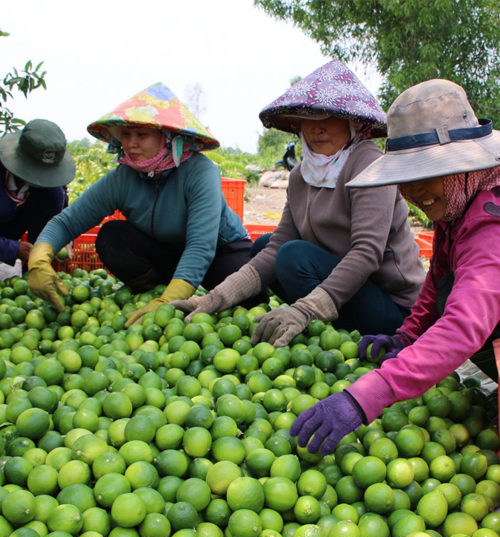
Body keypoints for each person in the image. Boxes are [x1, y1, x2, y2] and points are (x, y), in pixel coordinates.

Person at [290, 78, 500, 455]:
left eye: (424, 176)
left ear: (463, 167)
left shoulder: (491, 222)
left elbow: (464, 323)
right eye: (405, 180)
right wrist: (406, 337)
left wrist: (362, 398)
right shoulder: (459, 205)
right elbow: (437, 280)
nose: (413, 192)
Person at [173, 61, 425, 345]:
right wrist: (214, 299)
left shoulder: (370, 166)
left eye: (329, 118)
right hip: (346, 292)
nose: (318, 129)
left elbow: (366, 253)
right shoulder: (301, 176)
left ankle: (330, 329)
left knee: (293, 257)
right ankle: (323, 330)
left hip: (395, 309)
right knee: (265, 246)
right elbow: (277, 245)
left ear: (353, 122)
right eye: (309, 120)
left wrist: (305, 310)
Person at [27, 83, 251, 319]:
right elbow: (67, 222)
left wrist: (168, 302)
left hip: (221, 252)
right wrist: (39, 259)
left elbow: (201, 245)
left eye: (142, 134)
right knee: (112, 236)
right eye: (126, 134)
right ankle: (154, 292)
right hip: (169, 254)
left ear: (166, 137)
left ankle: (174, 291)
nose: (131, 143)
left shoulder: (199, 172)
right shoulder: (124, 177)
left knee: (247, 295)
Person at [0, 119, 75, 268]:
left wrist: (63, 239)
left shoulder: (52, 190)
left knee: (53, 194)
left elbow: (61, 216)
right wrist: (13, 248)